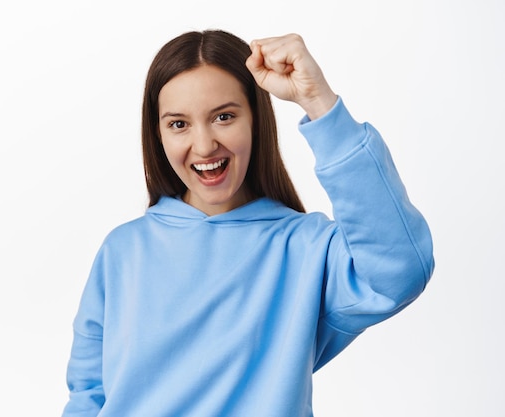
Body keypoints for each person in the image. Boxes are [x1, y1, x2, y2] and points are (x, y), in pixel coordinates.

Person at [61, 29, 434, 417]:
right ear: (157, 134)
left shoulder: (306, 250)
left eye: (224, 117)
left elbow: (401, 270)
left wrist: (320, 104)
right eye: (178, 124)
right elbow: (88, 398)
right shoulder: (122, 251)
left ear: (256, 120)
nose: (204, 146)